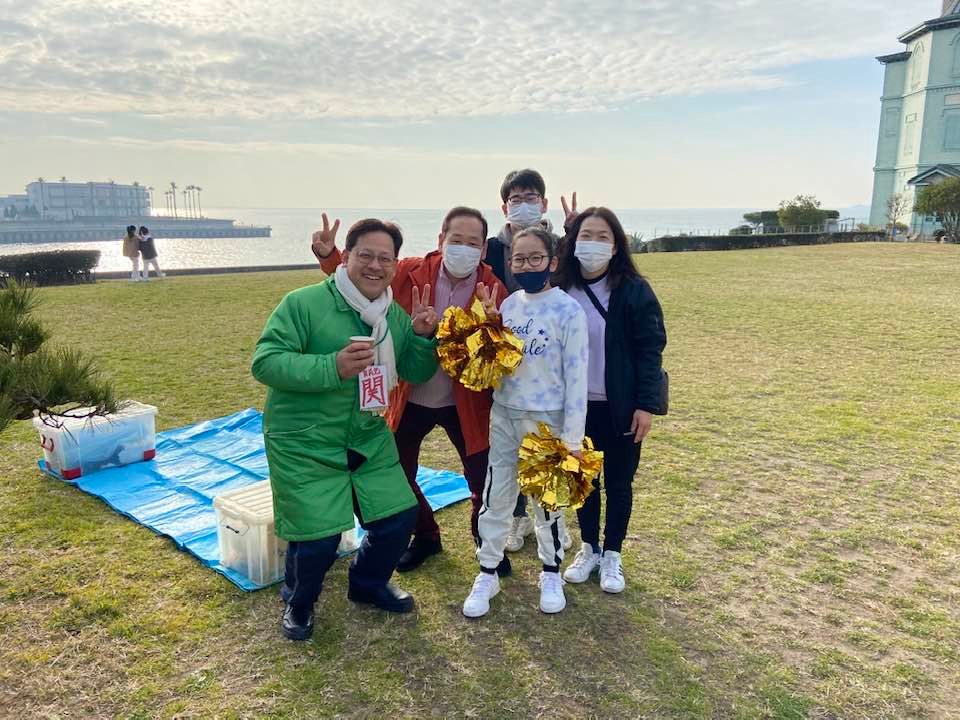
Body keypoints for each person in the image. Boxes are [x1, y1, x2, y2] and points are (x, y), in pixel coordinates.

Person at [252, 218, 440, 641]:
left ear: (395, 266)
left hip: (367, 436)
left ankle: (368, 583)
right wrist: (330, 366)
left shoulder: (392, 315)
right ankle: (298, 602)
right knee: (318, 536)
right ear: (347, 256)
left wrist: (424, 338)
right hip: (304, 438)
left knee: (398, 516)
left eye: (385, 259)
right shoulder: (302, 304)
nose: (375, 266)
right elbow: (265, 361)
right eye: (366, 255)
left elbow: (414, 368)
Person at [312, 207, 510, 574]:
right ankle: (426, 535)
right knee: (398, 472)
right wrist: (329, 257)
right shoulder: (410, 272)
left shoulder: (495, 287)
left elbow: (503, 349)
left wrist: (494, 325)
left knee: (483, 477)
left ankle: (488, 544)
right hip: (408, 394)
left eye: (472, 243)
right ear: (440, 240)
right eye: (456, 240)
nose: (463, 249)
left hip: (465, 402)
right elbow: (362, 278)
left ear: (484, 249)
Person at [462, 226, 589, 618]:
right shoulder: (509, 305)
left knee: (546, 502)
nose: (527, 265)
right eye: (519, 259)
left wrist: (572, 437)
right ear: (510, 263)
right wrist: (486, 322)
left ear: (551, 262)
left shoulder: (568, 310)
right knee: (496, 494)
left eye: (536, 258)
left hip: (548, 420)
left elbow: (577, 378)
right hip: (505, 415)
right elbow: (494, 363)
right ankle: (487, 570)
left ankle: (550, 571)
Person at [556, 207, 667, 594]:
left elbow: (650, 350)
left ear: (617, 245)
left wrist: (646, 405)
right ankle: (588, 548)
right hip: (575, 408)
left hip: (619, 406)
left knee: (619, 483)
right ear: (573, 242)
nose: (594, 243)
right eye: (586, 235)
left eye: (603, 236)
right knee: (583, 482)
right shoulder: (561, 286)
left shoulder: (634, 290)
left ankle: (613, 554)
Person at [483, 169, 579, 554]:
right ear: (504, 205)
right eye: (515, 198)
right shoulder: (491, 248)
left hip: (548, 366)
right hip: (508, 369)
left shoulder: (557, 246)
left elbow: (579, 275)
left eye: (531, 197)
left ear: (542, 201)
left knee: (548, 455)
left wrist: (573, 234)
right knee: (504, 460)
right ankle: (515, 519)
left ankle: (553, 529)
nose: (523, 204)